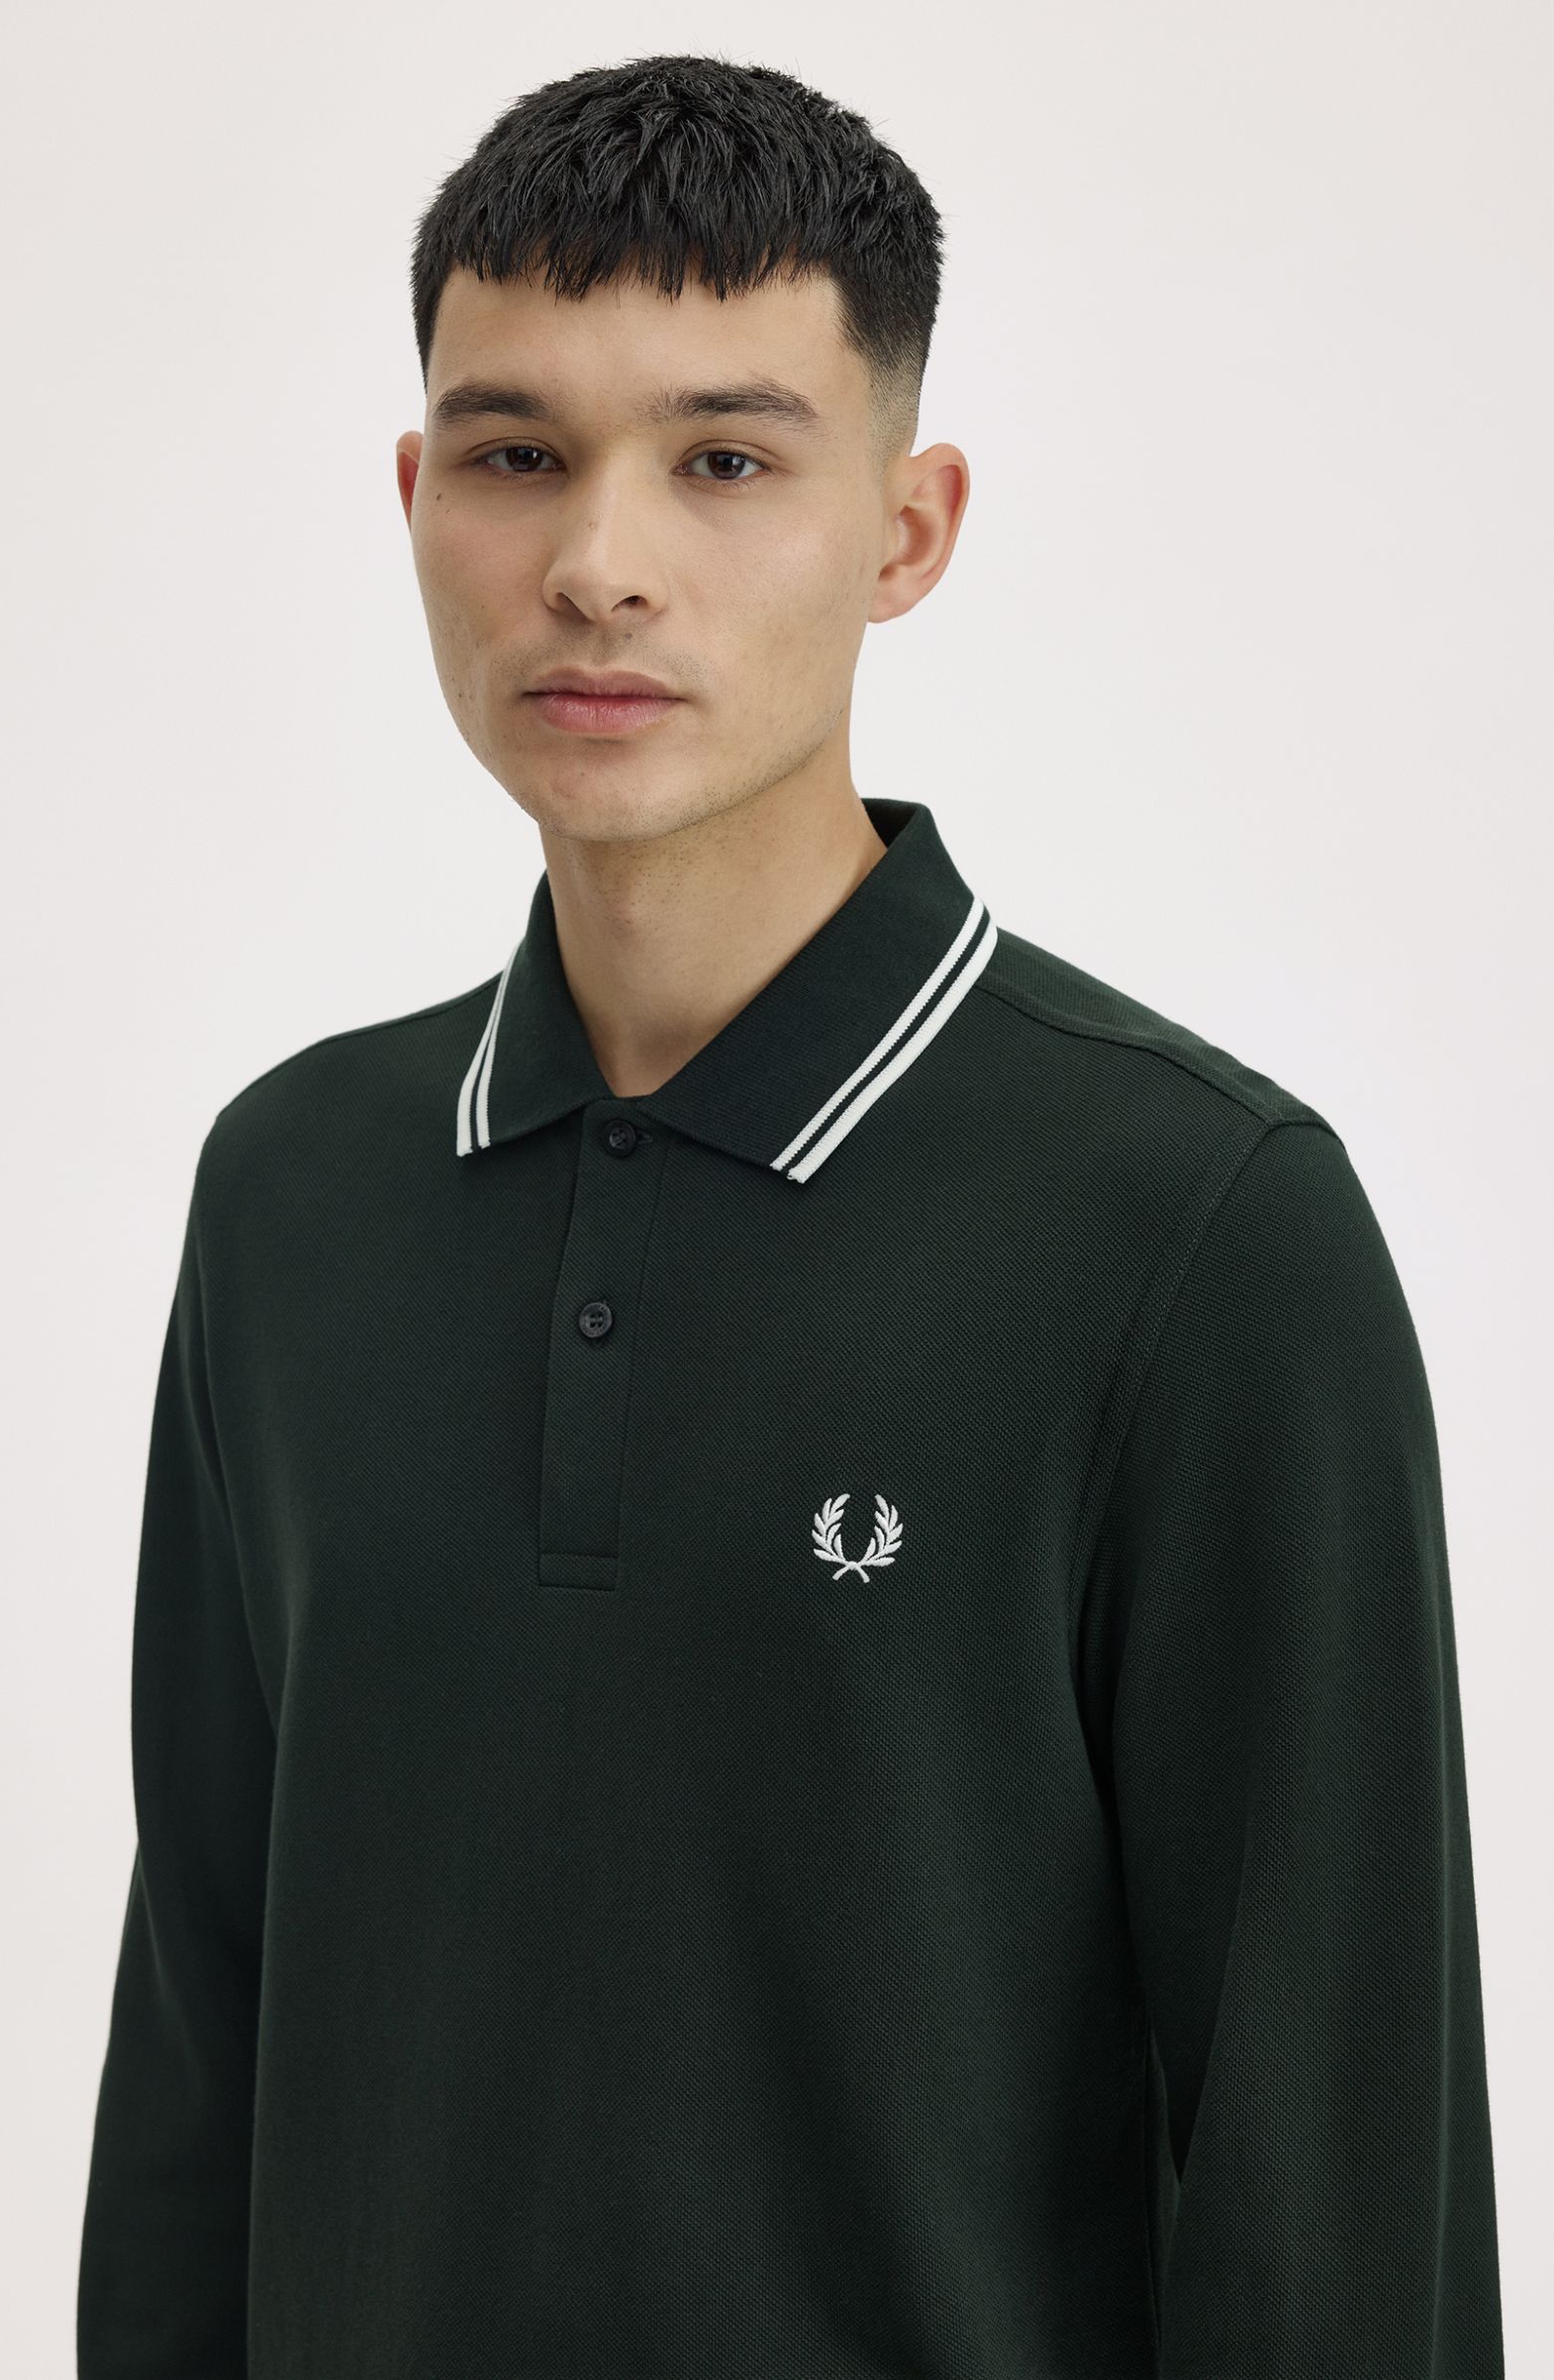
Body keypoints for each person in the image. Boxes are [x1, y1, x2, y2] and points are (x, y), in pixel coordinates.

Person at [76, 51, 1505, 2380]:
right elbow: (194, 2068)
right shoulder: (293, 1194)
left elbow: (1334, 2186)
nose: (596, 561)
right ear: (415, 495)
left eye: (723, 460)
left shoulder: (1196, 1226)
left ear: (905, 531)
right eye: (514, 454)